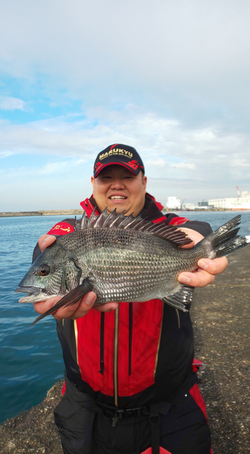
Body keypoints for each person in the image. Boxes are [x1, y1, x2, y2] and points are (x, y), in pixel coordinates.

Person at [33, 144, 228, 454]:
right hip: (84, 409)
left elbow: (193, 229)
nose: (117, 184)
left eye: (127, 175)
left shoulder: (164, 229)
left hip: (169, 407)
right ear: (93, 185)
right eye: (106, 177)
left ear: (144, 182)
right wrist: (43, 264)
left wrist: (201, 245)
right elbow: (53, 242)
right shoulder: (72, 233)